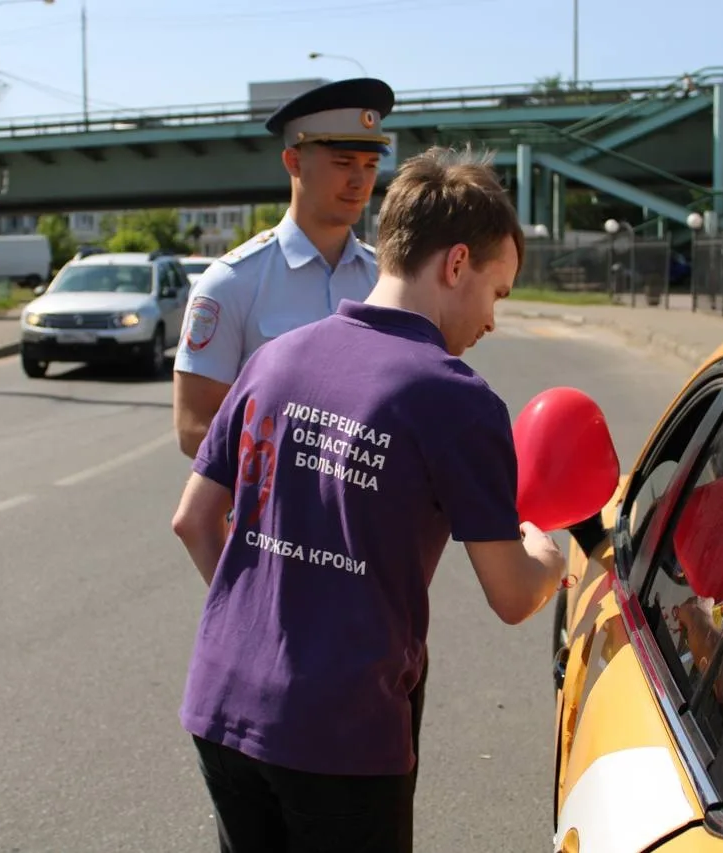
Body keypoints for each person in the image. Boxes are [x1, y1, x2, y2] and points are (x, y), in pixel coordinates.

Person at [170, 145, 567, 853]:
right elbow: (513, 596)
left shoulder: (276, 357)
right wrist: (549, 556)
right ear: (455, 264)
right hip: (341, 731)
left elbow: (194, 520)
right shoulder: (456, 398)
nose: (491, 321)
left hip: (223, 703)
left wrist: (275, 626)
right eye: (497, 293)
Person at [172, 76, 395, 459]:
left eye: (371, 164)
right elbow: (195, 428)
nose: (360, 181)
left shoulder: (387, 279)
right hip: (269, 498)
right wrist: (307, 469)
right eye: (343, 162)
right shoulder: (231, 282)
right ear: (294, 161)